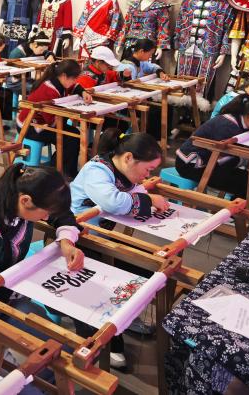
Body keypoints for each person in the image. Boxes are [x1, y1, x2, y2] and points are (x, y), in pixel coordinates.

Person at [69, 129, 164, 369]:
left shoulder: (123, 171)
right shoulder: (97, 170)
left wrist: (146, 197)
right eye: (148, 169)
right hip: (75, 240)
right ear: (129, 158)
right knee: (96, 288)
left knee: (145, 271)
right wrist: (150, 201)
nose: (148, 175)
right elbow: (113, 201)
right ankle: (100, 340)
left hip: (100, 238)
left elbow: (136, 191)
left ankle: (124, 318)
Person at [177, 97, 249, 213]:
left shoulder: (241, 120)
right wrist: (246, 158)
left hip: (211, 163)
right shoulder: (228, 126)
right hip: (192, 166)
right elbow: (224, 160)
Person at [16, 60, 92, 178]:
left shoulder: (58, 81)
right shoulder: (50, 89)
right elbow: (51, 122)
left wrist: (83, 92)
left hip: (42, 121)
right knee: (71, 137)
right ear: (64, 76)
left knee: (73, 134)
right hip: (30, 126)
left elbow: (74, 86)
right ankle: (58, 172)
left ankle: (63, 169)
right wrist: (69, 112)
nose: (75, 81)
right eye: (74, 78)